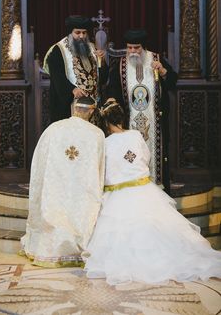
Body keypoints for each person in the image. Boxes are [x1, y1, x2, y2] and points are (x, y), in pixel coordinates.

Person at [83, 99, 221, 285]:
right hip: (145, 190)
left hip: (118, 196)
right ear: (122, 119)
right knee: (159, 230)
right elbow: (145, 160)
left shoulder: (106, 143)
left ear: (105, 122)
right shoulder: (136, 136)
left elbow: (102, 171)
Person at [20, 97, 105, 267]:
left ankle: (49, 249)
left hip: (56, 188)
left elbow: (39, 162)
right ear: (91, 111)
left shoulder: (53, 129)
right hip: (83, 191)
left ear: (74, 109)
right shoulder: (97, 134)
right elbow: (100, 168)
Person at [106, 29, 177, 194]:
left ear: (143, 47)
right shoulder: (120, 65)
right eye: (129, 48)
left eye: (136, 48)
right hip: (129, 125)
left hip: (156, 125)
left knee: (156, 159)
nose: (132, 51)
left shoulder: (157, 59)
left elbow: (173, 82)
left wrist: (163, 72)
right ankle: (135, 194)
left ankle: (158, 194)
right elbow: (112, 92)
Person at [43, 15, 108, 123]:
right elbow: (57, 77)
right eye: (77, 33)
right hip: (70, 107)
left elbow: (102, 80)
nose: (81, 36)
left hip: (93, 108)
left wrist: (102, 62)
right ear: (70, 33)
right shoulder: (58, 50)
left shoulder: (92, 48)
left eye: (84, 32)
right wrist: (72, 89)